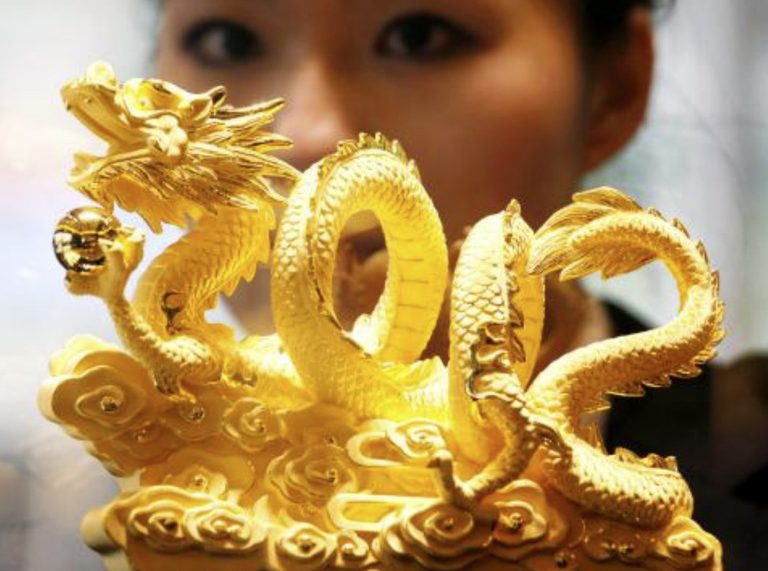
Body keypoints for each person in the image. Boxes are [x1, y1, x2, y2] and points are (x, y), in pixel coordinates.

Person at [153, 1, 766, 567]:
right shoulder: (138, 485)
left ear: (614, 88)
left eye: (419, 37)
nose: (310, 136)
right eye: (227, 41)